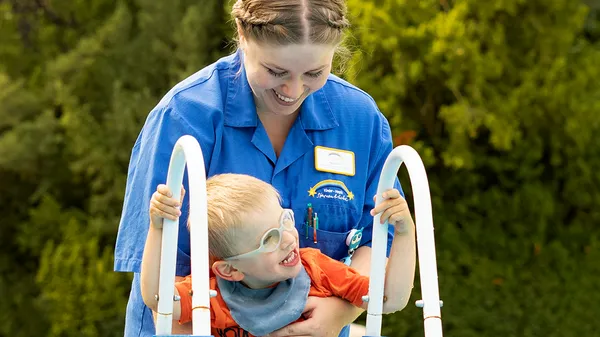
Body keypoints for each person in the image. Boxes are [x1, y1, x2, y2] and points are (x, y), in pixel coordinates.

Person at [114, 0, 406, 336]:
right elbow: (162, 278)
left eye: (314, 73)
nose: (293, 91)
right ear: (241, 33)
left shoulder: (360, 119)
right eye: (276, 71)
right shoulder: (184, 116)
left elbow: (377, 237)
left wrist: (341, 311)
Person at [141, 174, 416, 336]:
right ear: (229, 270)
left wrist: (404, 233)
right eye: (269, 238)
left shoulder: (315, 269)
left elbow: (389, 299)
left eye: (285, 221)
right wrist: (158, 228)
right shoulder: (210, 293)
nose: (288, 238)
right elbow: (157, 297)